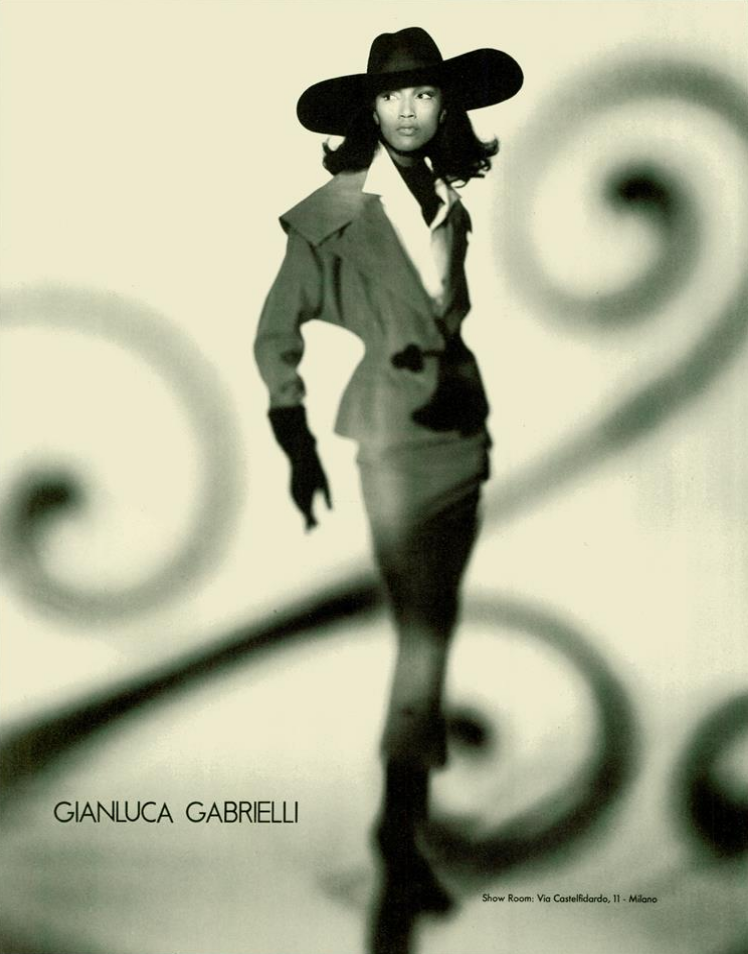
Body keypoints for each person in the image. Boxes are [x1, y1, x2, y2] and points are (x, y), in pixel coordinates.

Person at [255, 27, 522, 917]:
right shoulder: (336, 209)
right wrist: (295, 438)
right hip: (395, 442)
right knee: (424, 637)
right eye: (393, 94)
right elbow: (276, 329)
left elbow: (446, 316)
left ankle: (404, 831)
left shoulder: (450, 201)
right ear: (369, 109)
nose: (409, 109)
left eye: (425, 93)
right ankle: (398, 837)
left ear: (447, 108)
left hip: (461, 438)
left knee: (432, 629)